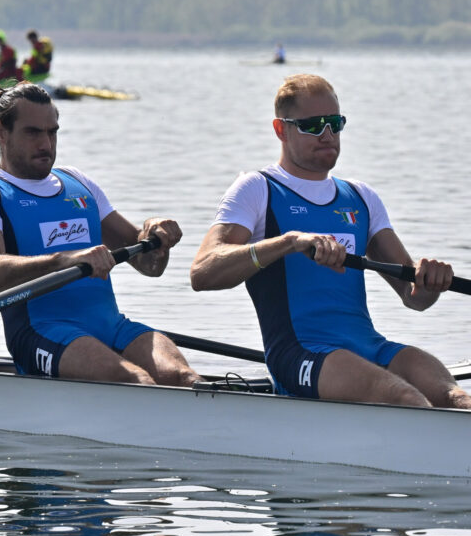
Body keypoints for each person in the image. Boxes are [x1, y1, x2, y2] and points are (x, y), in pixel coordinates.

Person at [190, 74, 471, 409]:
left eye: (335, 124)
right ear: (281, 130)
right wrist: (289, 242)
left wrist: (430, 280)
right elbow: (202, 272)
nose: (327, 135)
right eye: (313, 126)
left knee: (456, 398)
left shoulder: (361, 197)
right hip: (301, 355)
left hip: (370, 348)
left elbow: (415, 298)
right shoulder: (256, 189)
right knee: (407, 398)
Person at [0, 81, 200, 386]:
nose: (46, 144)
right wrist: (64, 259)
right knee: (136, 381)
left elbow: (150, 267)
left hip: (112, 327)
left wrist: (155, 234)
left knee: (186, 379)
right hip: (42, 332)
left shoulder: (77, 182)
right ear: (0, 132)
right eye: (33, 133)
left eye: (52, 131)